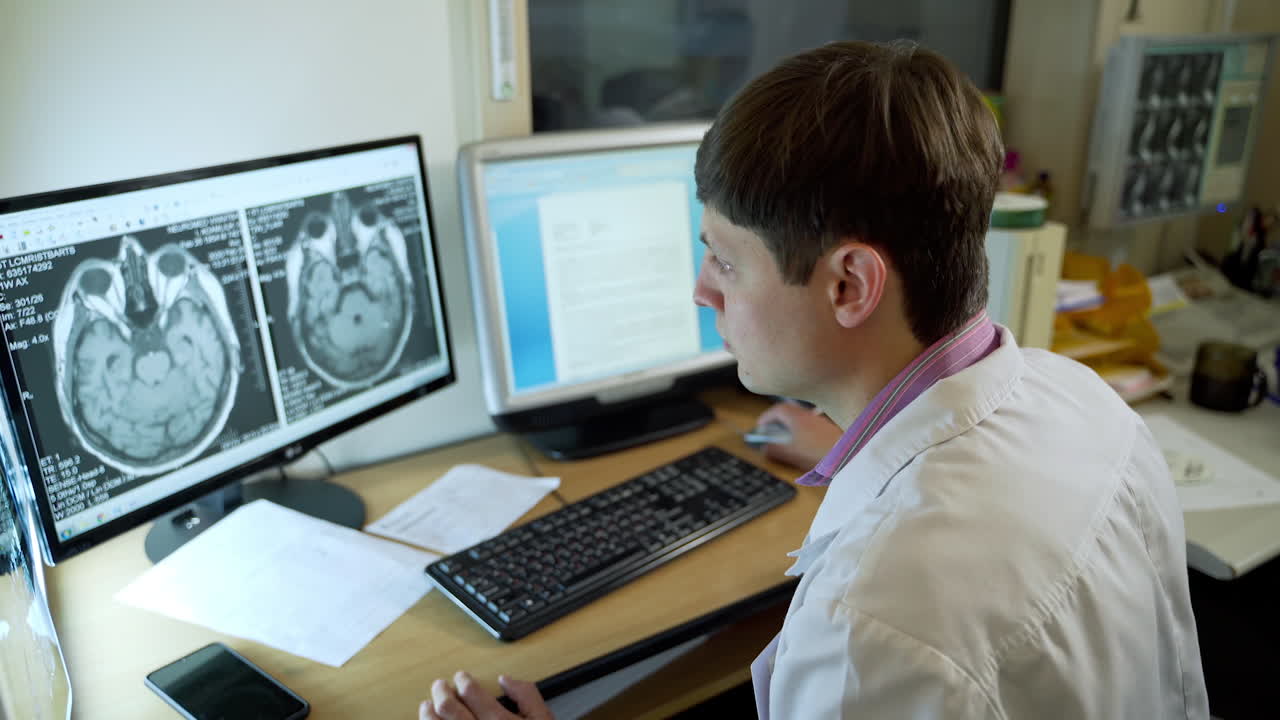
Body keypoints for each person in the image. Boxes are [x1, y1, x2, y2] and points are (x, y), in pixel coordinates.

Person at [420, 40, 1209, 719]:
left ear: (850, 286)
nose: (702, 289)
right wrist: (848, 456)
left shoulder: (872, 630)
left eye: (727, 259)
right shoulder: (1079, 398)